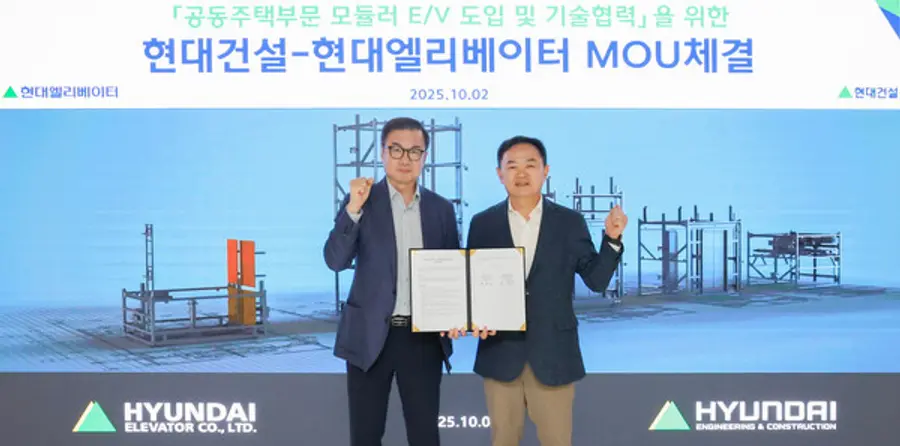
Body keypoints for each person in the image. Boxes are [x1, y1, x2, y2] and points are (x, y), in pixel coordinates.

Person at [465, 136, 627, 446]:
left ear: (545, 171)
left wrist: (612, 239)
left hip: (554, 354)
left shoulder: (569, 222)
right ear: (500, 174)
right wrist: (471, 318)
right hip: (500, 353)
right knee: (503, 440)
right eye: (512, 166)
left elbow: (596, 280)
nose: (521, 173)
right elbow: (473, 283)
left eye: (530, 165)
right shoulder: (483, 223)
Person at [323, 117, 462, 446]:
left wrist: (455, 316)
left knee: (425, 435)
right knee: (366, 434)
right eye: (396, 149)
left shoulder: (441, 209)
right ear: (383, 153)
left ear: (425, 156)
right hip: (369, 336)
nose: (405, 159)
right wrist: (353, 208)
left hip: (423, 338)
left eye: (415, 151)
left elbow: (452, 273)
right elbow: (335, 260)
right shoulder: (361, 201)